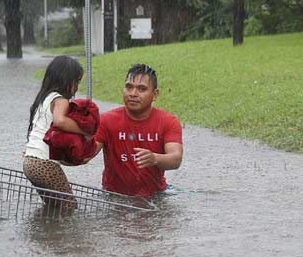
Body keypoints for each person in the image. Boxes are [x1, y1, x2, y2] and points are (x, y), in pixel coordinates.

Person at [91, 63, 183, 197]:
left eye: (141, 89)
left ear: (155, 94)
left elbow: (175, 159)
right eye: (129, 87)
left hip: (155, 196)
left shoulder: (168, 121)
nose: (133, 94)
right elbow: (87, 154)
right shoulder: (106, 120)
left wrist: (155, 158)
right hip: (113, 196)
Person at [23, 55, 92, 210]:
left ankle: (48, 232)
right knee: (69, 206)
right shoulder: (60, 100)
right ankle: (59, 234)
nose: (77, 88)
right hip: (44, 164)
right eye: (76, 82)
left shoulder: (43, 99)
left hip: (29, 162)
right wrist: (85, 130)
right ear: (65, 80)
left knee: (54, 206)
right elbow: (60, 121)